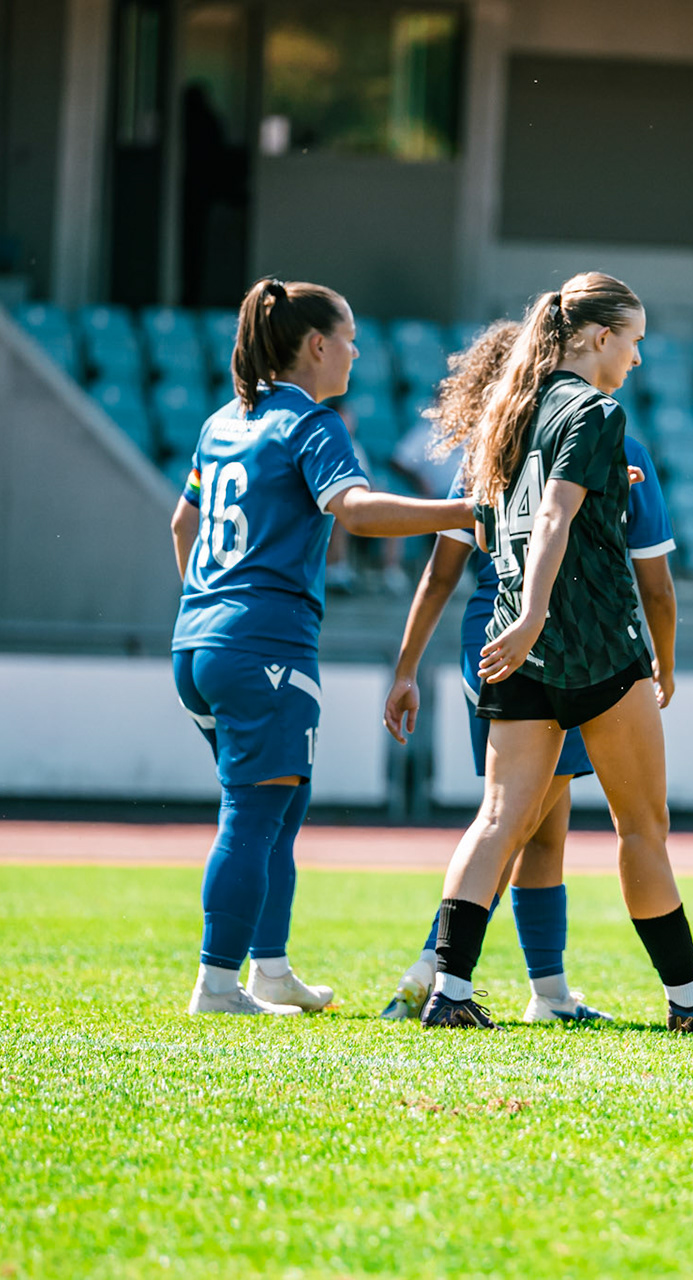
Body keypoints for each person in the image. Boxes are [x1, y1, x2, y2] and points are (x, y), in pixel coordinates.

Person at [422, 272, 693, 1033]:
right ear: (596, 337)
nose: (637, 359)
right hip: (589, 644)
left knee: (497, 820)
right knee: (642, 824)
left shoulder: (505, 414)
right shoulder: (594, 411)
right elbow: (555, 519)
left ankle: (447, 990)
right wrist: (546, 617)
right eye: (634, 341)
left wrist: (518, 623)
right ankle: (690, 1000)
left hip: (514, 650)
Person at [169, 277, 473, 1015]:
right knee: (252, 811)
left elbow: (183, 524)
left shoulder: (221, 423)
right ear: (314, 345)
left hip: (200, 638)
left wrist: (214, 605)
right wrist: (465, 509)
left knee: (281, 805)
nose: (355, 351)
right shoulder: (312, 424)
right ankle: (217, 983)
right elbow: (358, 513)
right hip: (264, 643)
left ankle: (269, 970)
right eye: (347, 338)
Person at [375, 319, 678, 1023]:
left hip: (486, 635)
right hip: (553, 638)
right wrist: (663, 662)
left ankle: (547, 993)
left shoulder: (491, 450)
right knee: (519, 815)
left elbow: (441, 571)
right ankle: (436, 968)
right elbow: (655, 584)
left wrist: (407, 666)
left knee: (541, 820)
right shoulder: (611, 437)